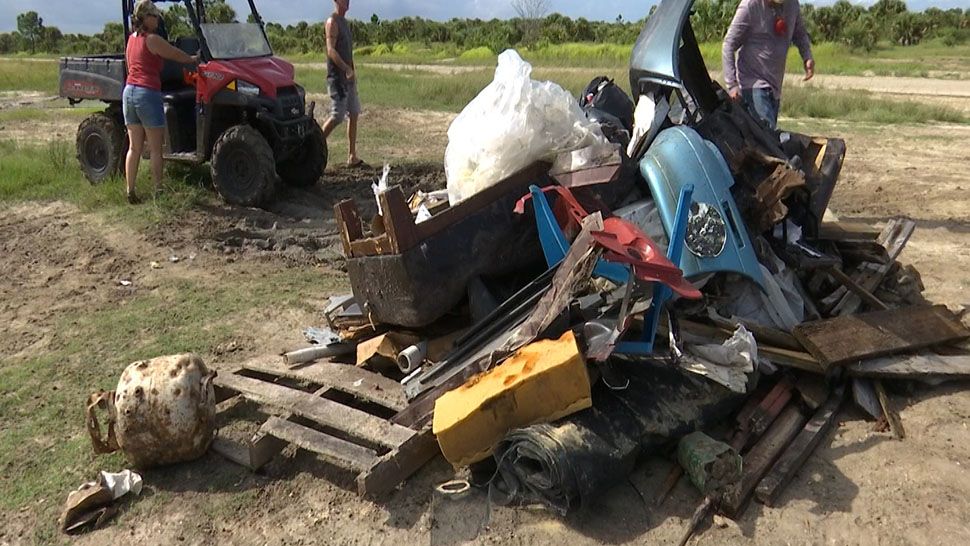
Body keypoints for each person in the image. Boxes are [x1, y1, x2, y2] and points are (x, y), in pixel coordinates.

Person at [123, 0, 197, 204]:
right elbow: (174, 53)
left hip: (129, 93)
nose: (157, 19)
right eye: (154, 16)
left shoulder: (131, 40)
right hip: (147, 93)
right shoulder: (153, 40)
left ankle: (130, 191)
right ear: (145, 18)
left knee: (134, 147)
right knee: (157, 148)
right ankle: (159, 190)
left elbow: (131, 66)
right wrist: (193, 59)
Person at [722, 0, 815, 129]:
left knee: (768, 138)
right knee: (767, 136)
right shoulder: (750, 6)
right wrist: (732, 85)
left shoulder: (792, 4)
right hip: (753, 84)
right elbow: (728, 44)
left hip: (775, 86)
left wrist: (807, 57)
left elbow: (800, 33)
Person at [321, 0, 363, 167]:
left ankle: (352, 155)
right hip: (337, 77)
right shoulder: (332, 22)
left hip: (349, 77)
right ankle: (314, 145)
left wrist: (352, 70)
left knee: (354, 112)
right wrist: (345, 68)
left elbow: (348, 52)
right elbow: (331, 50)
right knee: (337, 116)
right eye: (344, 0)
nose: (347, 3)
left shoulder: (345, 23)